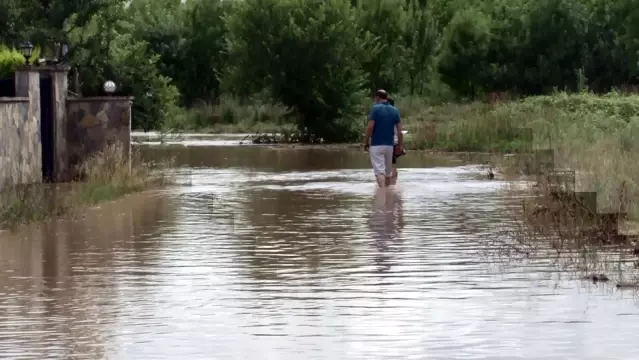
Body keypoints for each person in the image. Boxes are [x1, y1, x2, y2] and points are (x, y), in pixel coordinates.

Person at [363, 89, 404, 188]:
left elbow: (370, 127)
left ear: (377, 97)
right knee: (388, 173)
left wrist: (366, 141)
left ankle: (382, 192)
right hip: (389, 146)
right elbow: (400, 130)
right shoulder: (395, 110)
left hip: (376, 145)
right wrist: (400, 145)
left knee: (379, 172)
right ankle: (389, 194)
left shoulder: (375, 109)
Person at [387, 97, 406, 185]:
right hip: (394, 143)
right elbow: (400, 131)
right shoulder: (395, 114)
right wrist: (400, 145)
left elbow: (399, 131)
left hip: (390, 143)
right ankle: (393, 184)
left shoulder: (386, 115)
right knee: (392, 164)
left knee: (390, 166)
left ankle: (390, 185)